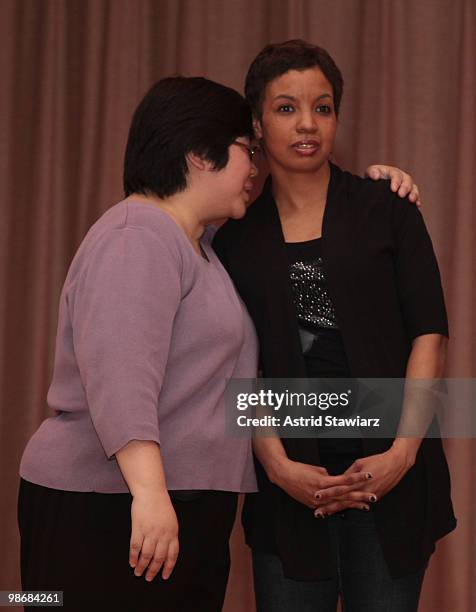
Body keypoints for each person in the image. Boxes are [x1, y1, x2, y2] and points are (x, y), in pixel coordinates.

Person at [213, 40, 456, 612]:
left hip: (391, 483)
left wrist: (401, 455)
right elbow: (236, 367)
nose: (307, 124)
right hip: (290, 489)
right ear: (256, 122)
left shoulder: (387, 207)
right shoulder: (235, 240)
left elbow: (430, 334)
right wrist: (276, 465)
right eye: (286, 108)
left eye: (322, 108)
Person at [18, 76, 267, 612]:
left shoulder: (198, 246)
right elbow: (121, 376)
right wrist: (150, 495)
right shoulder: (137, 234)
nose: (255, 168)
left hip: (175, 505)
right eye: (248, 150)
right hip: (113, 505)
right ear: (201, 154)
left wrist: (377, 190)